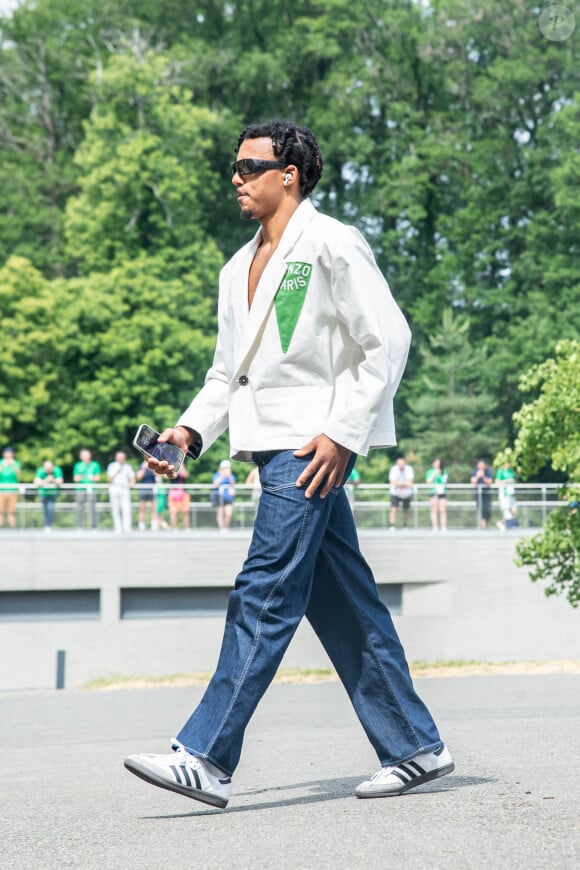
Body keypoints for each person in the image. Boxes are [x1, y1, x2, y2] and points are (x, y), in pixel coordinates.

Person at [124, 119, 453, 808]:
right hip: (268, 447)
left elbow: (388, 339)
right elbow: (227, 375)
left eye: (249, 167)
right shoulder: (232, 267)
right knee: (344, 607)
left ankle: (206, 756)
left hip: (310, 451)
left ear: (289, 174)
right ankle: (416, 746)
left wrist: (344, 432)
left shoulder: (332, 242)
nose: (237, 179)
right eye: (234, 167)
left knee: (263, 590)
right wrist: (188, 432)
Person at [107, 451, 135, 533]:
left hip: (124, 489)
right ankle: (118, 527)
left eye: (122, 458)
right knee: (115, 509)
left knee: (126, 509)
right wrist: (116, 472)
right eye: (119, 458)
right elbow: (109, 479)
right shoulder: (111, 466)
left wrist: (131, 483)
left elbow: (132, 478)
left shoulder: (128, 467)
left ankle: (127, 527)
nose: (121, 459)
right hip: (114, 489)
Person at [73, 448, 101, 530]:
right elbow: (75, 478)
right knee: (79, 508)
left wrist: (90, 478)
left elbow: (98, 478)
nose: (86, 457)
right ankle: (79, 526)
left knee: (92, 508)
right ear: (81, 457)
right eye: (84, 455)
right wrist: (83, 477)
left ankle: (93, 526)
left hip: (91, 489)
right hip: (80, 489)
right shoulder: (78, 465)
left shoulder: (95, 465)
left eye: (87, 455)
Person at [33, 460, 64, 530]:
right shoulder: (40, 471)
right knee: (45, 509)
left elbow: (60, 482)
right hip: (43, 493)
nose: (48, 470)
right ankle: (47, 525)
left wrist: (53, 480)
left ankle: (48, 525)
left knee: (50, 509)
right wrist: (46, 480)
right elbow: (36, 483)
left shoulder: (57, 470)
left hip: (53, 494)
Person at [388, 456, 414, 529]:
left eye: (402, 463)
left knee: (406, 510)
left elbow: (410, 482)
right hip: (395, 493)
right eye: (399, 463)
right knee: (393, 509)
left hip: (407, 493)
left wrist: (399, 484)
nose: (401, 465)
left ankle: (405, 525)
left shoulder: (409, 469)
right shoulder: (394, 469)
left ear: (404, 463)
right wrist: (404, 484)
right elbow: (391, 481)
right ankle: (392, 525)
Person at [211, 459, 236, 531]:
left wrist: (229, 476)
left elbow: (233, 484)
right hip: (219, 496)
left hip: (228, 497)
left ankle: (225, 528)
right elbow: (215, 484)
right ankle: (221, 529)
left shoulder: (231, 476)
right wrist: (222, 476)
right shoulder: (217, 475)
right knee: (220, 513)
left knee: (229, 514)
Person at [0, 446, 21, 528]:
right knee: (0, 511)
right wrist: (3, 465)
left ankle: (12, 528)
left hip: (12, 491)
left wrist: (13, 465)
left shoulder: (15, 463)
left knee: (11, 512)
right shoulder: (1, 462)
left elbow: (19, 474)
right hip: (1, 491)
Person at [426, 458, 448, 531]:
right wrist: (434, 474)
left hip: (442, 492)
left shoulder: (444, 472)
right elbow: (428, 482)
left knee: (443, 510)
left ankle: (443, 527)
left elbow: (444, 483)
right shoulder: (430, 471)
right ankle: (434, 527)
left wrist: (440, 474)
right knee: (434, 510)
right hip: (433, 492)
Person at [495, 461, 518, 531]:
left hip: (511, 493)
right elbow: (497, 482)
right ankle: (508, 525)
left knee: (514, 510)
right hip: (505, 493)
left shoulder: (510, 471)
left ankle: (502, 523)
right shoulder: (501, 471)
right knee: (507, 510)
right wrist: (507, 481)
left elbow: (513, 480)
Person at [470, 460, 493, 529]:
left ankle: (485, 524)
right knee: (481, 508)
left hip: (487, 493)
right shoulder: (474, 471)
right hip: (478, 493)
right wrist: (477, 476)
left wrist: (483, 476)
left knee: (488, 509)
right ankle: (483, 526)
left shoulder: (488, 471)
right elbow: (473, 482)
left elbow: (489, 482)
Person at [136, 461, 158, 530]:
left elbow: (158, 475)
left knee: (153, 508)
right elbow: (138, 477)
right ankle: (141, 525)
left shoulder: (155, 465)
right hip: (143, 488)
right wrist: (143, 468)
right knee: (142, 508)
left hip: (152, 488)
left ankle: (154, 525)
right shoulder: (141, 466)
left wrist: (152, 468)